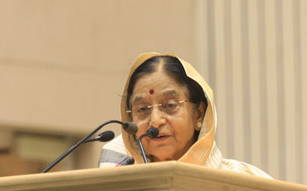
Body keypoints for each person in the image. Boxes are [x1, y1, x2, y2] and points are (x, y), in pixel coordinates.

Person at [98, 52, 272, 178]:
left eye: (170, 105)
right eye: (142, 109)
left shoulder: (244, 181)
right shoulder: (118, 179)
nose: (155, 121)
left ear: (198, 115)